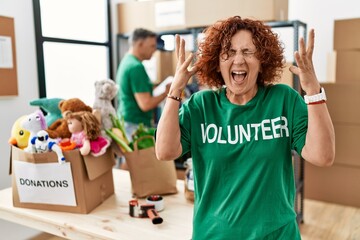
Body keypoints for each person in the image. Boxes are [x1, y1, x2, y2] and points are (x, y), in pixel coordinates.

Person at [155, 16, 335, 239]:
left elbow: (323, 156)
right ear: (217, 63)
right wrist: (175, 90)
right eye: (228, 52)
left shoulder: (283, 100)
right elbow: (164, 151)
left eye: (248, 51)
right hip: (214, 235)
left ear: (262, 61)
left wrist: (313, 92)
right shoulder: (201, 106)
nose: (238, 59)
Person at [116, 28, 170, 141]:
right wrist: (167, 93)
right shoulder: (136, 67)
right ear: (140, 44)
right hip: (135, 125)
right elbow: (145, 104)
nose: (155, 50)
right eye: (152, 46)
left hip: (125, 120)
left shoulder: (126, 61)